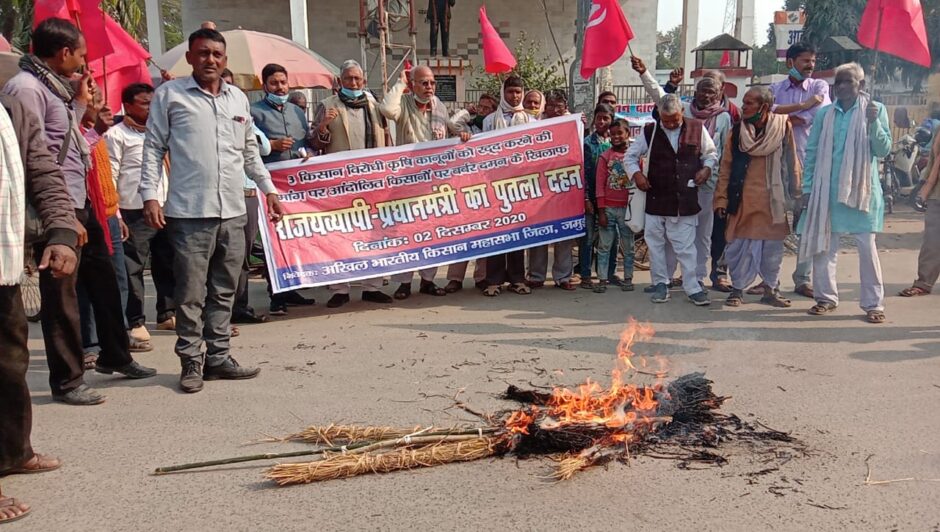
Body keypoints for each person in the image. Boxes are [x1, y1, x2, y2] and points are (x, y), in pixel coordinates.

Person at [3, 18, 156, 405]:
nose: (86, 62)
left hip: (81, 200)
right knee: (62, 298)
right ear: (64, 52)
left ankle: (115, 355)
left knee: (105, 282)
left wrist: (82, 108)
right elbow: (31, 158)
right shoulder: (25, 90)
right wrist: (60, 220)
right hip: (57, 210)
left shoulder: (56, 90)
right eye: (82, 54)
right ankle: (68, 380)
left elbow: (70, 142)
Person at [140, 27, 285, 393]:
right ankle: (191, 359)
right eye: (203, 54)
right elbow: (153, 147)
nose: (210, 60)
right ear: (190, 57)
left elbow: (249, 152)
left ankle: (219, 357)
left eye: (217, 55)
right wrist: (150, 195)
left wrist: (268, 190)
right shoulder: (170, 95)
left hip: (233, 209)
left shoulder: (238, 99)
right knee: (190, 291)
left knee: (224, 290)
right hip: (189, 212)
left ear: (225, 60)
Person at [0, 93, 78, 525]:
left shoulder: (11, 108)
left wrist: (62, 231)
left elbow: (44, 171)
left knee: (10, 361)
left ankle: (13, 452)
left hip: (6, 261)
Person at [798, 63, 891, 324]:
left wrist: (874, 124)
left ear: (860, 85)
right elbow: (812, 152)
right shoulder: (825, 114)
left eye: (847, 81)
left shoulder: (876, 110)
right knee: (824, 247)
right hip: (826, 191)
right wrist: (807, 189)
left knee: (866, 248)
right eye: (837, 82)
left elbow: (883, 150)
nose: (841, 87)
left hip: (862, 191)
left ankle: (874, 304)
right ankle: (825, 298)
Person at [632, 56, 732, 293]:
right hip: (674, 186)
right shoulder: (682, 109)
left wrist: (712, 175)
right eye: (702, 91)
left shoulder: (724, 117)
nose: (706, 96)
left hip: (707, 186)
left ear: (719, 94)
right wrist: (644, 72)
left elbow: (720, 153)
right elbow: (659, 95)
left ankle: (696, 278)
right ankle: (663, 280)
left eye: (712, 92)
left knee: (701, 236)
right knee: (668, 235)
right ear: (694, 92)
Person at [379, 64, 469, 300]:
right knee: (406, 232)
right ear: (413, 84)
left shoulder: (439, 105)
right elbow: (387, 110)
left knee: (431, 232)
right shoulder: (405, 103)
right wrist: (400, 84)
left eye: (432, 83)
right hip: (407, 179)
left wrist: (463, 133)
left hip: (434, 181)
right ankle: (404, 283)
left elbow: (451, 130)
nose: (430, 87)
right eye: (424, 82)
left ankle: (428, 280)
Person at [311, 59, 393, 308]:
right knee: (340, 234)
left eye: (357, 79)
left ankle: (372, 286)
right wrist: (324, 126)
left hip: (372, 182)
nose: (354, 83)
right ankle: (340, 288)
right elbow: (315, 143)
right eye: (349, 79)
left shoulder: (374, 105)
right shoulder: (327, 106)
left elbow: (387, 139)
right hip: (340, 183)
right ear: (340, 82)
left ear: (364, 81)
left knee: (373, 234)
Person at [626, 94, 718, 306]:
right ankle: (660, 284)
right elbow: (630, 157)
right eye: (665, 120)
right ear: (659, 115)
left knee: (686, 248)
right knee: (656, 246)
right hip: (656, 199)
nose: (669, 124)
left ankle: (692, 287)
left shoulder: (697, 128)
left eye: (674, 120)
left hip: (684, 200)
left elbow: (711, 154)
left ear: (682, 113)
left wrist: (707, 168)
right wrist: (636, 174)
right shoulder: (650, 131)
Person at [714, 87, 802, 307]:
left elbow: (793, 162)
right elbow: (725, 167)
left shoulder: (782, 127)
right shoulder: (737, 132)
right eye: (743, 103)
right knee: (737, 248)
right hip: (743, 201)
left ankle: (770, 290)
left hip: (773, 202)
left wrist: (798, 193)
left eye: (749, 103)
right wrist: (721, 199)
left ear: (763, 107)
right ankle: (737, 290)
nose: (743, 107)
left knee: (772, 251)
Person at [107, 83, 177, 339]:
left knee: (167, 263)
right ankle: (135, 321)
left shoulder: (161, 133)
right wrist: (115, 213)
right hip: (134, 211)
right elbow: (111, 175)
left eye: (153, 102)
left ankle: (168, 313)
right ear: (127, 105)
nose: (150, 107)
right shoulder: (116, 135)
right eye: (144, 103)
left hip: (167, 206)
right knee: (132, 268)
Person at [249, 63, 316, 315]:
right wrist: (272, 144)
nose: (280, 87)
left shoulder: (297, 112)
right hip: (269, 185)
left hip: (297, 187)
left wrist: (309, 151)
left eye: (284, 83)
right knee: (271, 241)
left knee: (294, 238)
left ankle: (291, 288)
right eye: (275, 83)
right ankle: (276, 294)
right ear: (265, 85)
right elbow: (246, 147)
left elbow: (307, 141)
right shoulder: (254, 112)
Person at [76, 87, 136, 363]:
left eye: (102, 101)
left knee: (118, 278)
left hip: (109, 211)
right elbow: (74, 159)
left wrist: (119, 215)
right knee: (87, 284)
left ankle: (119, 336)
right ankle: (90, 344)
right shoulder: (70, 126)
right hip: (84, 213)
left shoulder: (99, 133)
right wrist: (96, 130)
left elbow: (107, 174)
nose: (103, 107)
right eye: (95, 102)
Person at [770, 42, 831, 299]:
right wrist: (802, 106)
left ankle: (802, 278)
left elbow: (820, 114)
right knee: (773, 224)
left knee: (805, 225)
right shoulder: (775, 88)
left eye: (813, 62)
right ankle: (768, 280)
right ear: (790, 62)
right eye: (805, 61)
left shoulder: (819, 87)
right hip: (777, 167)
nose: (810, 66)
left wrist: (786, 115)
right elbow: (767, 113)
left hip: (807, 166)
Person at [482, 75, 534, 297]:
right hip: (493, 184)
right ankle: (493, 279)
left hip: (520, 185)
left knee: (517, 233)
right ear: (503, 92)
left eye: (518, 92)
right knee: (495, 233)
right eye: (511, 91)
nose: (515, 96)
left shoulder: (532, 121)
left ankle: (517, 278)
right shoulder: (489, 121)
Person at [526, 89, 577, 291]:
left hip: (565, 185)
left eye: (560, 105)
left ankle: (563, 276)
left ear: (565, 107)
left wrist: (575, 122)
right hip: (538, 186)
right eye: (551, 105)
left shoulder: (572, 124)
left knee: (564, 232)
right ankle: (536, 275)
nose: (555, 109)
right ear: (545, 106)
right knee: (538, 232)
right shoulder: (534, 124)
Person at [594, 118, 636, 293]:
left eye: (620, 133)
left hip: (629, 209)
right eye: (612, 134)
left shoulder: (635, 156)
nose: (616, 137)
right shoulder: (606, 156)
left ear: (628, 133)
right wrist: (601, 211)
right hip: (609, 209)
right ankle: (602, 279)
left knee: (628, 246)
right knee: (604, 246)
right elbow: (599, 184)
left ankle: (628, 278)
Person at [580, 103, 618, 289]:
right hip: (592, 198)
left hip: (611, 198)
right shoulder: (587, 143)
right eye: (599, 118)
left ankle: (610, 272)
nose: (602, 122)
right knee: (587, 237)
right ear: (594, 120)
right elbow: (584, 174)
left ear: (612, 120)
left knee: (612, 236)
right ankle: (585, 274)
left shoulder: (616, 143)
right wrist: (586, 198)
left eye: (606, 118)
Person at [900, 130, 940, 297]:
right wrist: (924, 189)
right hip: (937, 195)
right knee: (932, 242)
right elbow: (933, 160)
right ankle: (924, 283)